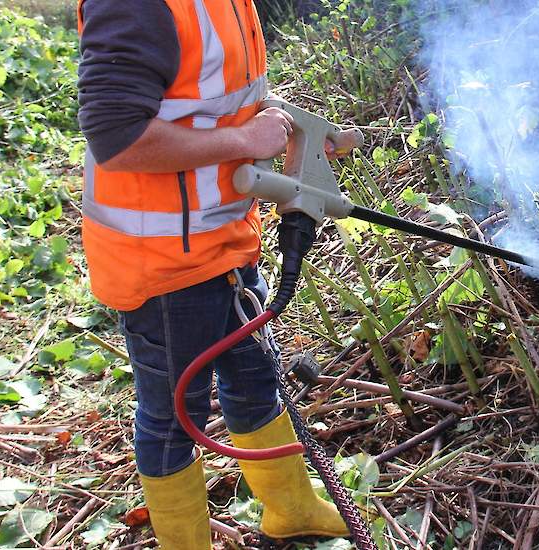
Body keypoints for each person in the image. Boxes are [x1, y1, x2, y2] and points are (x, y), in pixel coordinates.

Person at [76, 1, 349, 547]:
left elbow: (214, 100)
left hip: (226, 242)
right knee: (173, 415)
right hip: (162, 265)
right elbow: (118, 139)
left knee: (255, 379)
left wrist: (293, 125)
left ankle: (290, 509)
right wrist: (246, 143)